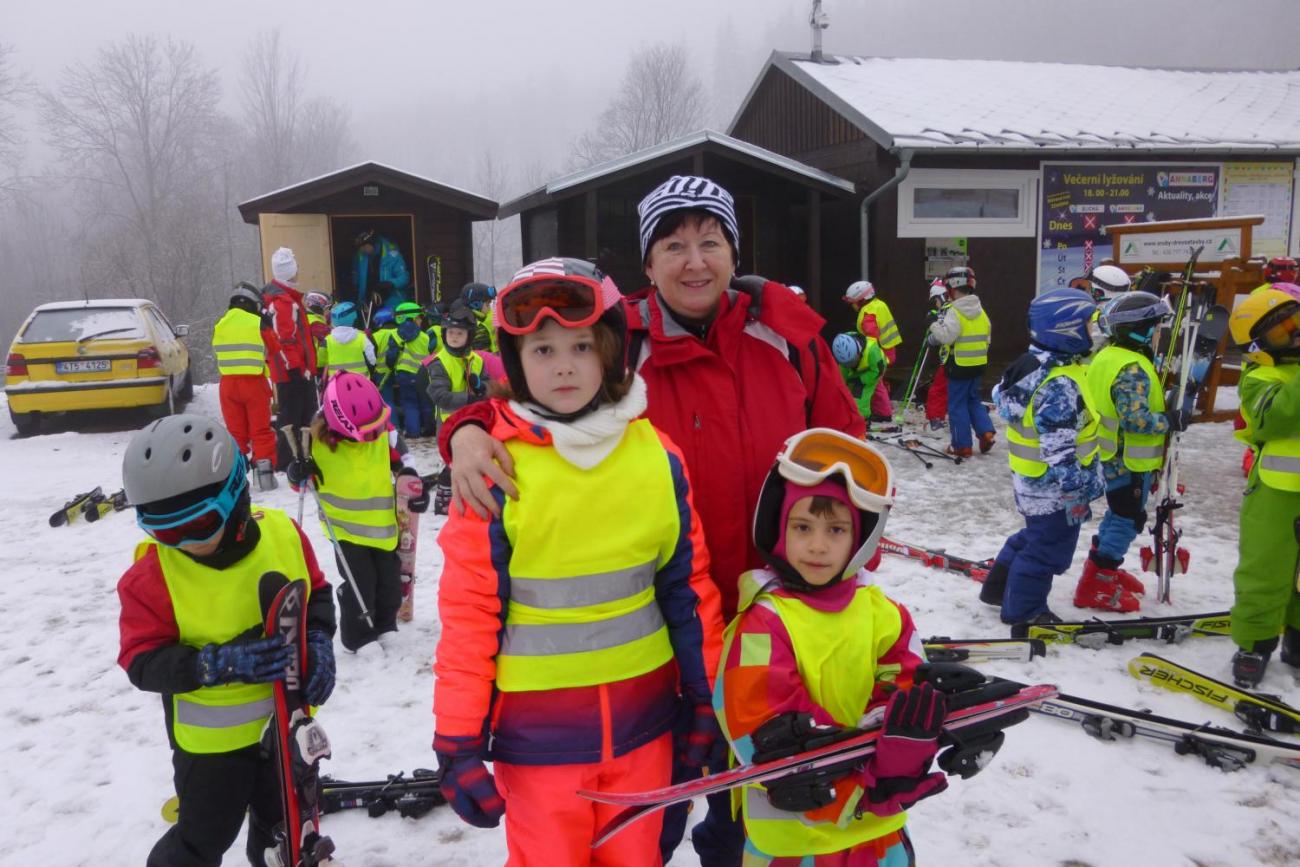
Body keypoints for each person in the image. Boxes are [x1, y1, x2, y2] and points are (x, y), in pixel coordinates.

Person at [437, 175, 863, 867]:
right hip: (676, 632)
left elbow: (849, 460)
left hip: (785, 613)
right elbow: (535, 394)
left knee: (786, 792)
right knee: (688, 812)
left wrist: (844, 580)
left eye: (709, 241)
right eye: (673, 245)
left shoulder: (787, 339)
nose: (694, 260)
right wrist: (466, 430)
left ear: (733, 249)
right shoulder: (618, 339)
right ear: (648, 261)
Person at [432, 257, 724, 866]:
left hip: (646, 732)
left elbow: (688, 590)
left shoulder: (657, 458)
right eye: (541, 350)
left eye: (580, 345)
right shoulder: (492, 467)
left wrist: (706, 700)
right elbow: (469, 615)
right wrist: (457, 740)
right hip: (539, 749)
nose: (563, 364)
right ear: (515, 363)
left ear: (611, 352)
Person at [715, 428, 948, 864]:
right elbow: (758, 721)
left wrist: (902, 753)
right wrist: (865, 783)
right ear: (778, 528)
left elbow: (907, 689)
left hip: (878, 836)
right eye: (802, 527)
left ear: (859, 541)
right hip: (794, 840)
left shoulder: (885, 614)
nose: (818, 546)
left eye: (836, 530)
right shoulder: (764, 622)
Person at [116, 414, 336, 867]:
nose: (181, 543)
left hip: (283, 730)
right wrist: (213, 665)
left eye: (195, 526)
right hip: (210, 753)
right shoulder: (151, 576)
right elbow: (141, 661)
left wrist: (319, 641)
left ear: (236, 494)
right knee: (202, 839)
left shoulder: (283, 535)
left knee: (281, 829)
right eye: (163, 532)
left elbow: (316, 596)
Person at [980, 288, 1103, 624]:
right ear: (1067, 331)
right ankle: (1025, 611)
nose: (1094, 334)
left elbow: (1002, 395)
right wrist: (1075, 492)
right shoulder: (1060, 384)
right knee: (1047, 551)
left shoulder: (1030, 365)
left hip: (1031, 481)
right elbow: (1060, 448)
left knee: (1034, 536)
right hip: (1055, 489)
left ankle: (997, 587)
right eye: (1088, 327)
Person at [287, 371, 423, 655]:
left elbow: (404, 464)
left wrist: (412, 486)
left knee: (389, 581)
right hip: (345, 530)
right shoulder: (316, 445)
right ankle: (358, 636)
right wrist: (297, 473)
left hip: (384, 526)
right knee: (360, 583)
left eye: (377, 428)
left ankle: (385, 625)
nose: (374, 435)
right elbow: (300, 487)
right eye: (367, 432)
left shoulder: (385, 436)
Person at [1076, 291, 1177, 614]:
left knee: (1119, 513)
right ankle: (1097, 584)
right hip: (1130, 458)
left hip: (1112, 454)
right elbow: (1135, 419)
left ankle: (1101, 568)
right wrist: (1168, 421)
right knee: (1127, 517)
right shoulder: (1131, 367)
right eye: (1156, 326)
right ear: (1141, 330)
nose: (1159, 333)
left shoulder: (1107, 355)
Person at [1226, 288, 1300, 687]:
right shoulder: (1260, 378)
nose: (1296, 334)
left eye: (1298, 323)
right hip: (1276, 492)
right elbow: (1278, 417)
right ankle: (1254, 642)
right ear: (1259, 347)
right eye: (1284, 331)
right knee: (1265, 571)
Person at [212, 282, 277, 489]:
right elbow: (274, 349)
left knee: (235, 433)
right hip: (254, 383)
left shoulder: (220, 323)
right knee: (260, 430)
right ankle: (265, 479)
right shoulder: (257, 323)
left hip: (228, 385)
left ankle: (237, 479)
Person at [427, 302, 488, 513]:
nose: (454, 337)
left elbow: (489, 388)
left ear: (468, 337)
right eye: (450, 333)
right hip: (448, 422)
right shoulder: (439, 363)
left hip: (471, 421)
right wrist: (470, 399)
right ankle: (443, 499)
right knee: (454, 461)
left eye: (459, 333)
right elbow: (439, 396)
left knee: (471, 459)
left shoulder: (477, 360)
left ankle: (466, 494)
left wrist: (481, 387)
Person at [262, 247, 320, 470]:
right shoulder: (284, 302)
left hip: (290, 371)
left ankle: (301, 456)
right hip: (293, 372)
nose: (299, 271)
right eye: (296, 268)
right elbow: (285, 340)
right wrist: (299, 367)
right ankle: (289, 459)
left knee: (298, 414)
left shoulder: (285, 298)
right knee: (295, 415)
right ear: (289, 272)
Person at [928, 266, 995, 458]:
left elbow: (946, 337)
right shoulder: (981, 311)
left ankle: (961, 446)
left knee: (956, 405)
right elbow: (987, 337)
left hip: (958, 366)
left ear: (952, 288)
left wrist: (932, 323)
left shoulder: (955, 311)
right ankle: (986, 433)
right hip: (978, 364)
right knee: (973, 400)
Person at [843, 280, 899, 419]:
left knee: (874, 382)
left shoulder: (867, 315)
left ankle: (883, 413)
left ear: (862, 300)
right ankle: (882, 410)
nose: (852, 306)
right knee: (878, 380)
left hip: (880, 353)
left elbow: (871, 338)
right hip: (888, 348)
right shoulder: (879, 304)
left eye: (853, 303)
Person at [386, 301, 434, 439]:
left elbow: (391, 357)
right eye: (419, 318)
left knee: (410, 404)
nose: (420, 321)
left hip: (404, 374)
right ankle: (429, 430)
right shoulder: (425, 337)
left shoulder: (395, 335)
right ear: (412, 318)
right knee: (426, 402)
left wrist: (391, 367)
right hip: (422, 375)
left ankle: (413, 432)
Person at [831, 331, 888, 426]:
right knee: (842, 391)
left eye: (852, 361)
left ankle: (862, 419)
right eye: (847, 363)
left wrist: (861, 380)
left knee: (860, 394)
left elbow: (877, 371)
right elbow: (842, 373)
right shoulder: (842, 347)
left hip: (873, 370)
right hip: (858, 369)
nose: (850, 365)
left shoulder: (872, 351)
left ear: (859, 351)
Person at [352, 229, 411, 312]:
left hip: (391, 302)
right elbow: (356, 275)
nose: (362, 250)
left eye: (364, 247)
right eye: (360, 248)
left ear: (372, 243)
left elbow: (405, 278)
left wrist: (390, 283)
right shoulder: (361, 255)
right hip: (368, 302)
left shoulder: (392, 255)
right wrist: (355, 288)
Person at [322, 300, 377, 381]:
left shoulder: (327, 340)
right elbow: (372, 361)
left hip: (337, 384)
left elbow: (320, 361)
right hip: (361, 383)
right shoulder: (362, 337)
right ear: (353, 317)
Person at [924, 279, 950, 431]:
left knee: (937, 390)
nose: (935, 304)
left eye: (936, 300)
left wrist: (930, 338)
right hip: (968, 361)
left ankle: (935, 419)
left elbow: (941, 335)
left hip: (949, 360)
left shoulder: (946, 310)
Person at [370, 307, 399, 414]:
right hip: (402, 372)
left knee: (388, 402)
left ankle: (394, 427)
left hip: (382, 375)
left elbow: (371, 358)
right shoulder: (402, 332)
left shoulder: (375, 336)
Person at [460, 282, 498, 351]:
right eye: (487, 304)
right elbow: (483, 358)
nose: (489, 308)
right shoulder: (479, 329)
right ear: (476, 305)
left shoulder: (469, 321)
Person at [304, 291, 332, 373]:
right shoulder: (317, 324)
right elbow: (333, 336)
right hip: (319, 365)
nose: (326, 310)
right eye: (326, 308)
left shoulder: (307, 317)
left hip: (308, 362)